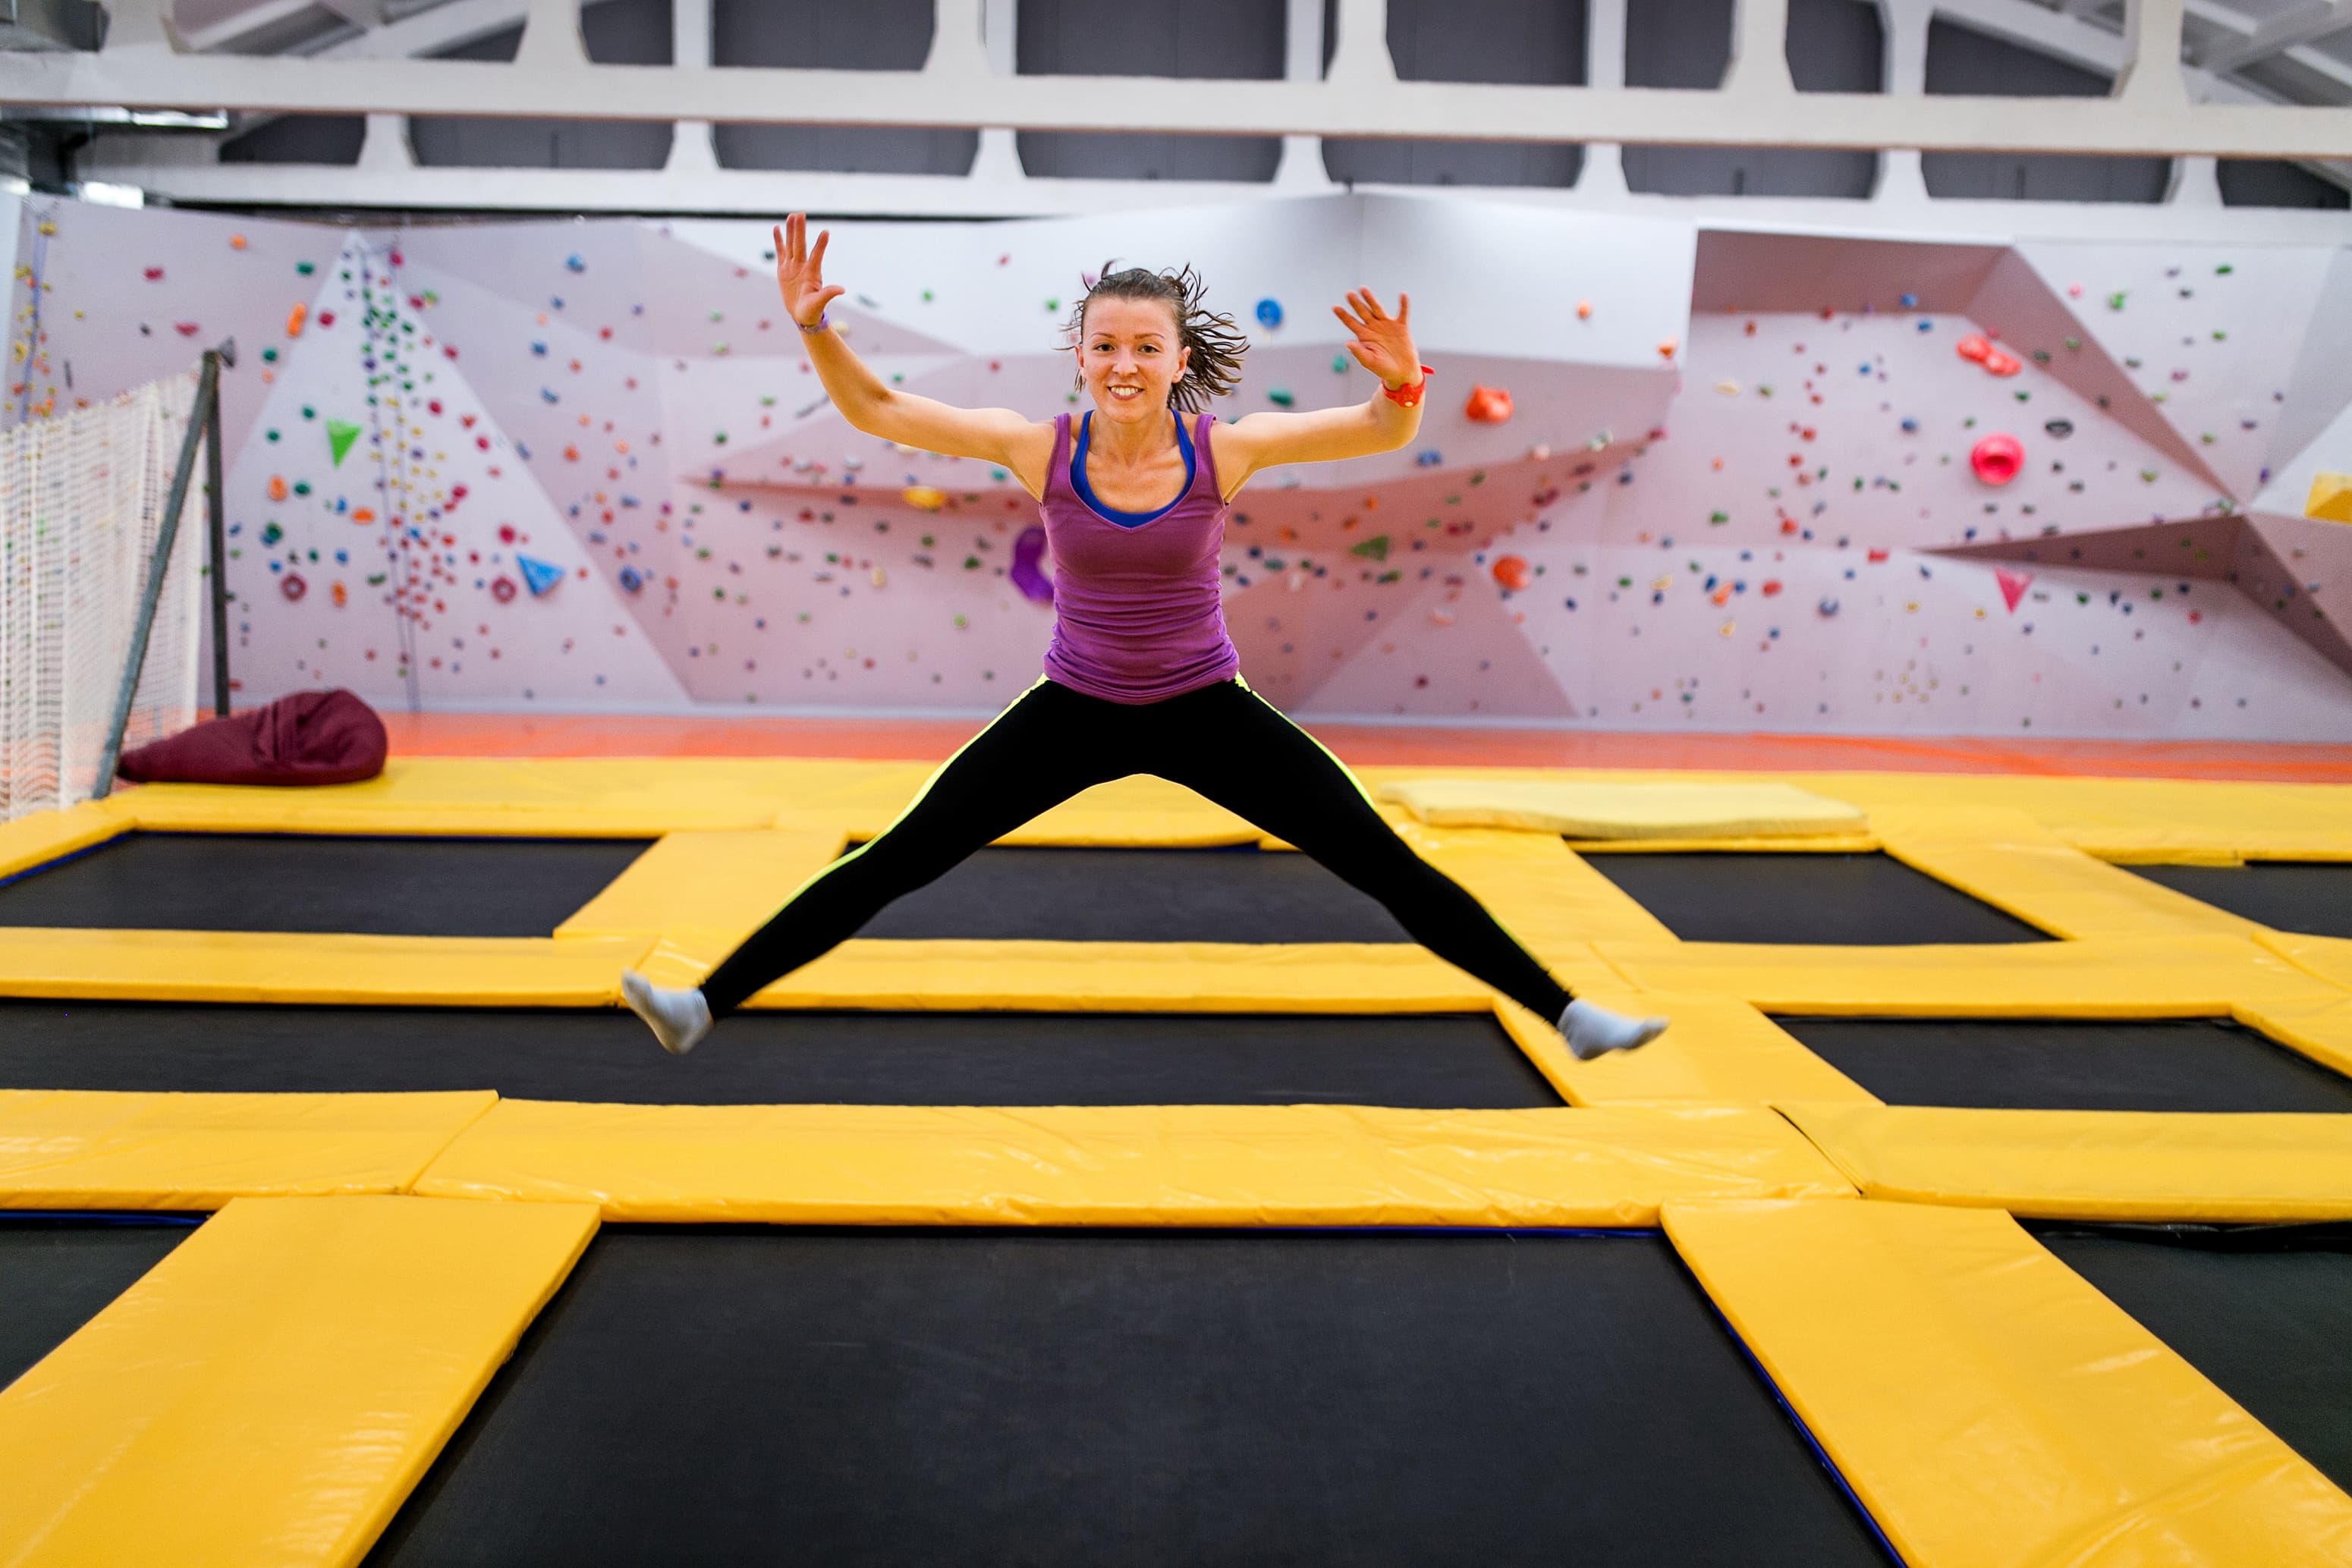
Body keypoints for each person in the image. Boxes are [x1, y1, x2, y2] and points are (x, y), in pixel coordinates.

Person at [623, 212, 1668, 1064]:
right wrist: (815, 328)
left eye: (1145, 346)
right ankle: (703, 1003)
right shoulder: (1039, 446)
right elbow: (881, 410)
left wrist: (1404, 382)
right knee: (901, 856)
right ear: (1081, 355)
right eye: (1106, 345)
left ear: (1177, 359)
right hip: (1073, 710)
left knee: (1378, 861)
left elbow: (1377, 432)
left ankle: (1569, 1014)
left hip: (1204, 708)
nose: (1124, 362)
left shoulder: (1230, 449)